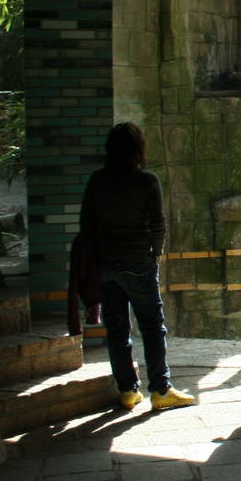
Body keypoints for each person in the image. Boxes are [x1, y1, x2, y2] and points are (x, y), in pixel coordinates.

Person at [79, 122, 196, 411]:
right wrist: (155, 254)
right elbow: (158, 224)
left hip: (106, 264)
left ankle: (127, 390)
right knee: (152, 327)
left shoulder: (97, 180)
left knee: (117, 328)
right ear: (138, 150)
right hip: (138, 262)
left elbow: (86, 223)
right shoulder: (147, 181)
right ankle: (160, 389)